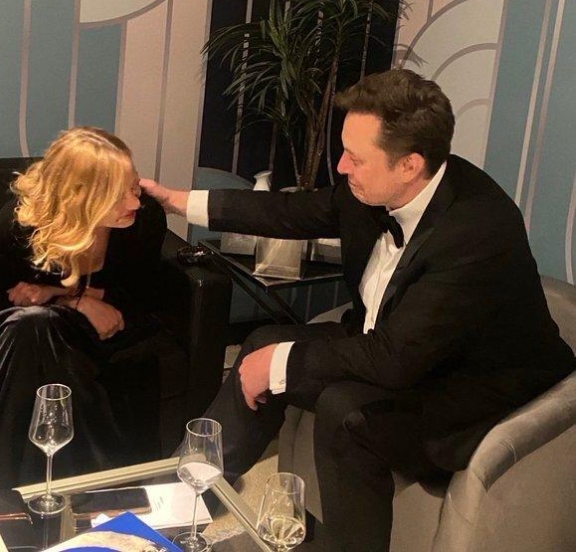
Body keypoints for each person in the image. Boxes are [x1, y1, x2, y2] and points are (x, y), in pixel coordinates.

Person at [142, 69, 575, 552]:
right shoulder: (377, 187)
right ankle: (176, 507)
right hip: (398, 343)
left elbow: (395, 360)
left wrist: (280, 365)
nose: (342, 166)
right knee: (264, 342)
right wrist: (178, 202)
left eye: (356, 157)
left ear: (409, 165)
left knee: (345, 411)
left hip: (472, 381)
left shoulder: (477, 231)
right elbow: (293, 212)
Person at [0, 127, 174, 489]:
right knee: (34, 326)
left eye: (134, 187)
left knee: (37, 325)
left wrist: (52, 293)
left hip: (111, 332)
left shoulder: (143, 223)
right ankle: (97, 486)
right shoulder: (16, 229)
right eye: (118, 195)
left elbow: (140, 303)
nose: (134, 202)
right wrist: (76, 300)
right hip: (19, 339)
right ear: (80, 196)